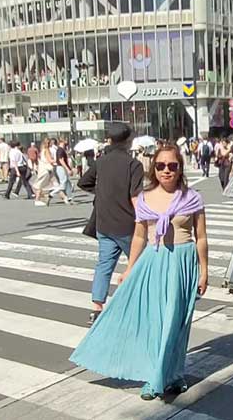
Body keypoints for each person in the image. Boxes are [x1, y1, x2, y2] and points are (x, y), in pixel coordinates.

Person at [71, 144, 208, 401]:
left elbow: (201, 237)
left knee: (177, 322)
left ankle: (174, 374)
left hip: (182, 262)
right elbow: (139, 235)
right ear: (153, 169)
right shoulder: (145, 198)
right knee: (156, 322)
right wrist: (130, 268)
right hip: (154, 262)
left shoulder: (192, 198)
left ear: (180, 169)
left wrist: (204, 270)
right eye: (161, 166)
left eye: (172, 166)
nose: (166, 171)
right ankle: (155, 378)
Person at [77, 123, 144, 325]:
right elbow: (135, 196)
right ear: (128, 141)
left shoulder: (101, 162)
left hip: (104, 223)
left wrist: (103, 193)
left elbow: (83, 182)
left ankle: (96, 307)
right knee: (140, 263)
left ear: (110, 141)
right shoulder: (133, 164)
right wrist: (146, 219)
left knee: (104, 264)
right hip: (127, 224)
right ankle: (137, 303)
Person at [33, 138, 58, 206]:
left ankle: (39, 198)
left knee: (40, 185)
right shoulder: (47, 150)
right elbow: (49, 160)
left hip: (42, 169)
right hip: (46, 170)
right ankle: (38, 199)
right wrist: (57, 160)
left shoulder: (42, 150)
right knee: (41, 185)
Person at [49, 138, 74, 205]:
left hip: (62, 167)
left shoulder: (61, 149)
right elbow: (61, 160)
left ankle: (69, 197)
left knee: (68, 183)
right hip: (60, 167)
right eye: (65, 140)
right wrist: (68, 169)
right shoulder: (60, 150)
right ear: (62, 141)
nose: (67, 141)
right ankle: (52, 193)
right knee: (63, 183)